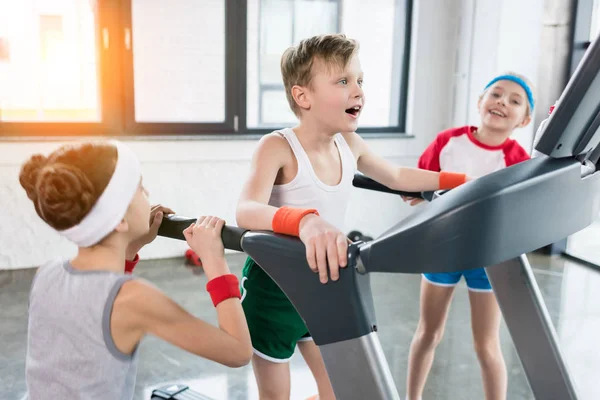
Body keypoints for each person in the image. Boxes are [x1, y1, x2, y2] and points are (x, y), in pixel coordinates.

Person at [235, 33, 470, 400]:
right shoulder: (277, 147)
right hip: (273, 293)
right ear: (303, 96)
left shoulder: (350, 144)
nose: (357, 91)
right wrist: (304, 220)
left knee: (339, 393)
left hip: (323, 283)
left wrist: (463, 183)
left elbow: (397, 177)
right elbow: (246, 210)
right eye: (343, 81)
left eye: (360, 80)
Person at [19, 140, 252, 400]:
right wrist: (215, 260)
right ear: (119, 219)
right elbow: (238, 351)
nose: (148, 193)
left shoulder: (46, 274)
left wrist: (130, 248)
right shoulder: (135, 298)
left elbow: (96, 311)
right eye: (140, 189)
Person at [405, 72, 534, 400]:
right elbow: (415, 189)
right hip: (441, 250)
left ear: (524, 119)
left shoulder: (519, 160)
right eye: (496, 94)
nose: (503, 102)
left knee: (486, 345)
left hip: (488, 258)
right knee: (427, 334)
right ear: (480, 101)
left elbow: (519, 214)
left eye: (515, 100)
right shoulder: (448, 141)